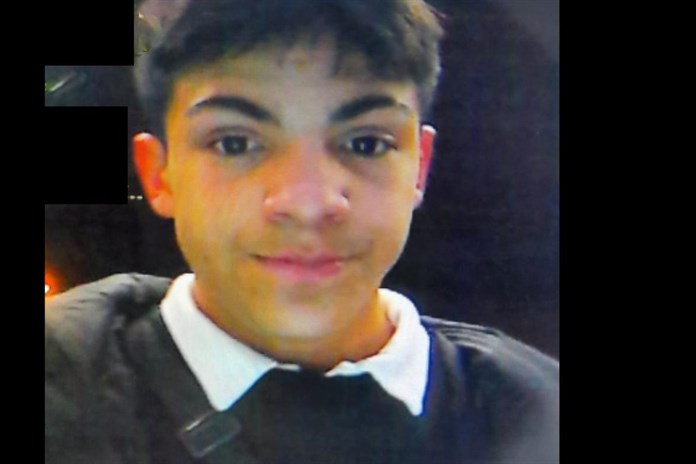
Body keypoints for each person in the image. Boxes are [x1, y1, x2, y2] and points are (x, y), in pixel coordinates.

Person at [45, 0, 559, 463]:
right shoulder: (65, 390)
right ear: (158, 174)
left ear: (419, 168)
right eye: (234, 143)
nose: (307, 203)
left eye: (366, 144)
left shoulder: (535, 409)